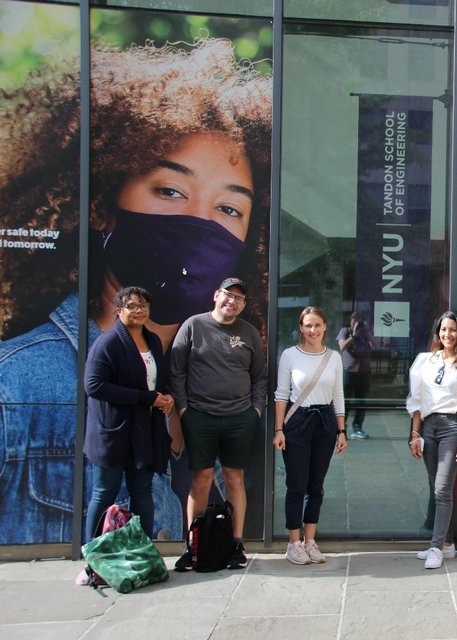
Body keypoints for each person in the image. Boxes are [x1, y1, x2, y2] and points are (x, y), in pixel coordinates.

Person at [0, 39, 271, 544]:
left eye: (229, 209)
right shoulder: (16, 385)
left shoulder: (208, 366)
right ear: (103, 205)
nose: (198, 222)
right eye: (170, 190)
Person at [169, 277, 267, 570]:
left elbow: (259, 376)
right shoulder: (193, 326)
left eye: (239, 298)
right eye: (228, 295)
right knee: (201, 479)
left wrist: (256, 411)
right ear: (216, 295)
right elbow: (177, 371)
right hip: (200, 416)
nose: (232, 301)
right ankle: (193, 544)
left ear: (243, 305)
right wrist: (185, 410)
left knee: (234, 478)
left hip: (240, 418)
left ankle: (237, 545)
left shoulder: (248, 332)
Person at [83, 286, 176, 540]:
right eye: (132, 306)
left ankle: (142, 551)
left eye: (143, 305)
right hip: (113, 432)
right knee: (104, 492)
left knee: (142, 492)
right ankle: (93, 556)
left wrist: (164, 396)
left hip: (144, 432)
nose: (139, 311)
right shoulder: (108, 342)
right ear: (119, 310)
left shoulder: (153, 341)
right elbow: (94, 386)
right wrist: (147, 398)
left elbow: (154, 381)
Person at [407, 311, 457, 569]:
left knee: (441, 488)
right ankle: (448, 544)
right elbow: (417, 401)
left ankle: (435, 546)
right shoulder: (424, 361)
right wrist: (415, 434)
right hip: (428, 426)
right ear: (437, 332)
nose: (447, 334)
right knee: (437, 488)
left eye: (452, 330)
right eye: (443, 330)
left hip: (453, 427)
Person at [274, 306, 348, 565]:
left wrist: (341, 430)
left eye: (317, 325)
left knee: (316, 485)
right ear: (301, 328)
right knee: (296, 484)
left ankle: (310, 541)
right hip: (298, 422)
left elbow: (338, 395)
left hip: (325, 422)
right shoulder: (290, 355)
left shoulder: (334, 357)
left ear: (325, 326)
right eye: (308, 325)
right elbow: (282, 393)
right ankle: (293, 543)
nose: (313, 330)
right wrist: (279, 430)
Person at [336, 312, 375, 440]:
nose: (356, 323)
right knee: (345, 401)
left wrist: (367, 331)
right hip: (349, 372)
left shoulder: (366, 333)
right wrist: (353, 334)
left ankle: (357, 427)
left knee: (361, 401)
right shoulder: (345, 331)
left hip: (364, 372)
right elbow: (341, 347)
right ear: (350, 321)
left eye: (359, 320)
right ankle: (342, 428)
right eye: (354, 320)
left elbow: (375, 346)